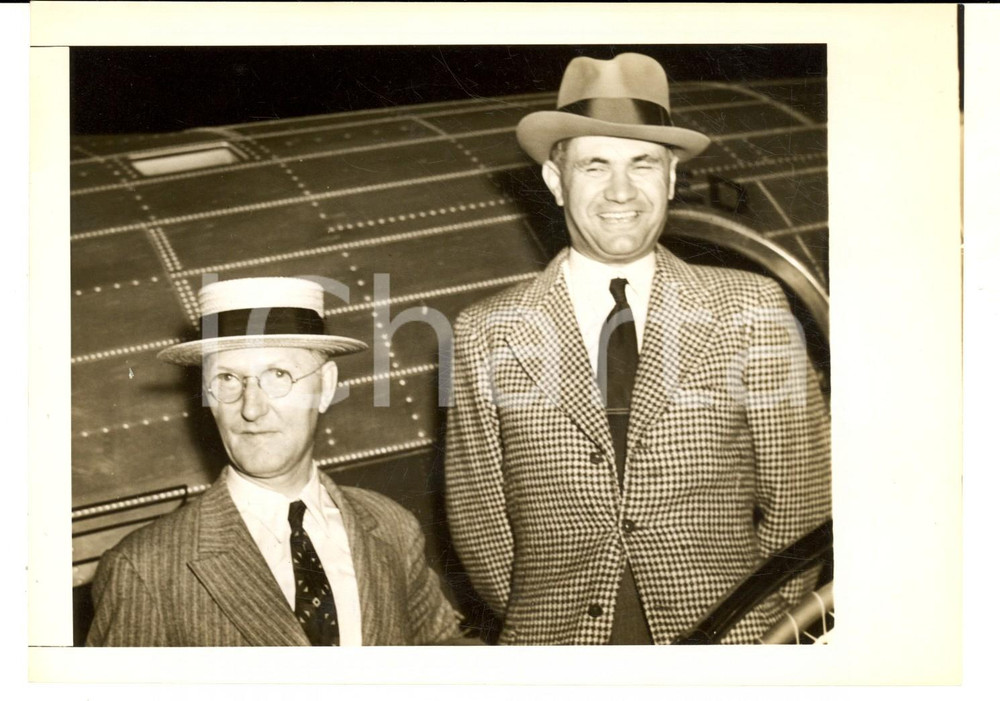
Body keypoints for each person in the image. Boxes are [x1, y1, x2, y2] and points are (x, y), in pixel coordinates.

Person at [444, 53, 831, 645]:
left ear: (670, 178)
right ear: (556, 181)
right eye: (595, 165)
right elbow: (480, 523)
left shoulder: (751, 307)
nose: (621, 190)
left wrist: (757, 626)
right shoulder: (486, 331)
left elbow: (803, 497)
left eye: (642, 163)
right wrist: (545, 626)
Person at [88, 276, 468, 646]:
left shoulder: (392, 527)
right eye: (227, 379)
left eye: (278, 375)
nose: (251, 408)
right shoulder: (144, 568)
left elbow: (444, 651)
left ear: (326, 386)